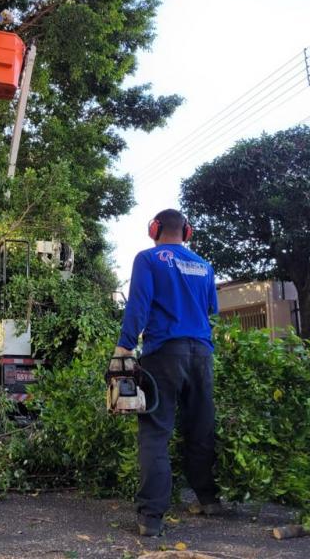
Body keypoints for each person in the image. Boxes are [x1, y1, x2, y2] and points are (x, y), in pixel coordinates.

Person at [113, 208, 222, 537]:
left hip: (164, 354)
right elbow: (211, 311)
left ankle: (151, 517)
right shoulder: (204, 265)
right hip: (201, 355)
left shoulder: (148, 259)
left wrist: (124, 348)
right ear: (186, 232)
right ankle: (209, 499)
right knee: (200, 427)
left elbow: (138, 304)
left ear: (155, 229)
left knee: (155, 433)